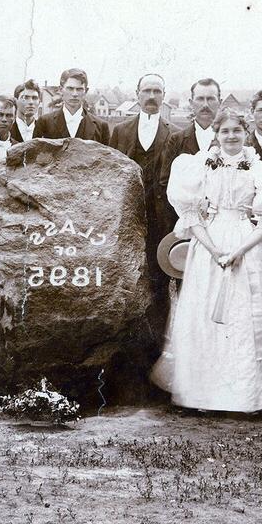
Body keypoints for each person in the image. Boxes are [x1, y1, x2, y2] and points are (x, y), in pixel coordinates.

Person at [152, 108, 262, 412]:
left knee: (245, 315)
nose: (231, 136)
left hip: (248, 244)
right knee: (207, 317)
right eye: (225, 131)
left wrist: (242, 249)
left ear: (246, 132)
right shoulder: (200, 167)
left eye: (237, 131)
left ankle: (248, 396)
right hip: (211, 243)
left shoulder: (260, 168)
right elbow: (191, 216)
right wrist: (214, 249)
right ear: (216, 134)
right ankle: (205, 394)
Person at [109, 73, 176, 331]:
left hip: (160, 222)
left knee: (159, 283)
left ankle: (157, 342)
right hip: (128, 220)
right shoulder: (120, 131)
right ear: (137, 95)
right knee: (126, 279)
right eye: (146, 91)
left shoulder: (175, 134)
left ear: (163, 96)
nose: (151, 97)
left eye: (157, 91)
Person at [159, 78, 222, 233]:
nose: (205, 104)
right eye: (200, 99)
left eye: (211, 99)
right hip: (186, 224)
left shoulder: (229, 140)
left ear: (219, 101)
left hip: (221, 224)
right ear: (191, 102)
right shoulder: (177, 139)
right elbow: (165, 182)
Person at [34, 68, 110, 143]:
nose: (74, 94)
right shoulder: (44, 122)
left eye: (79, 89)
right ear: (61, 90)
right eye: (70, 88)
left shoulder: (101, 126)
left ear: (86, 91)